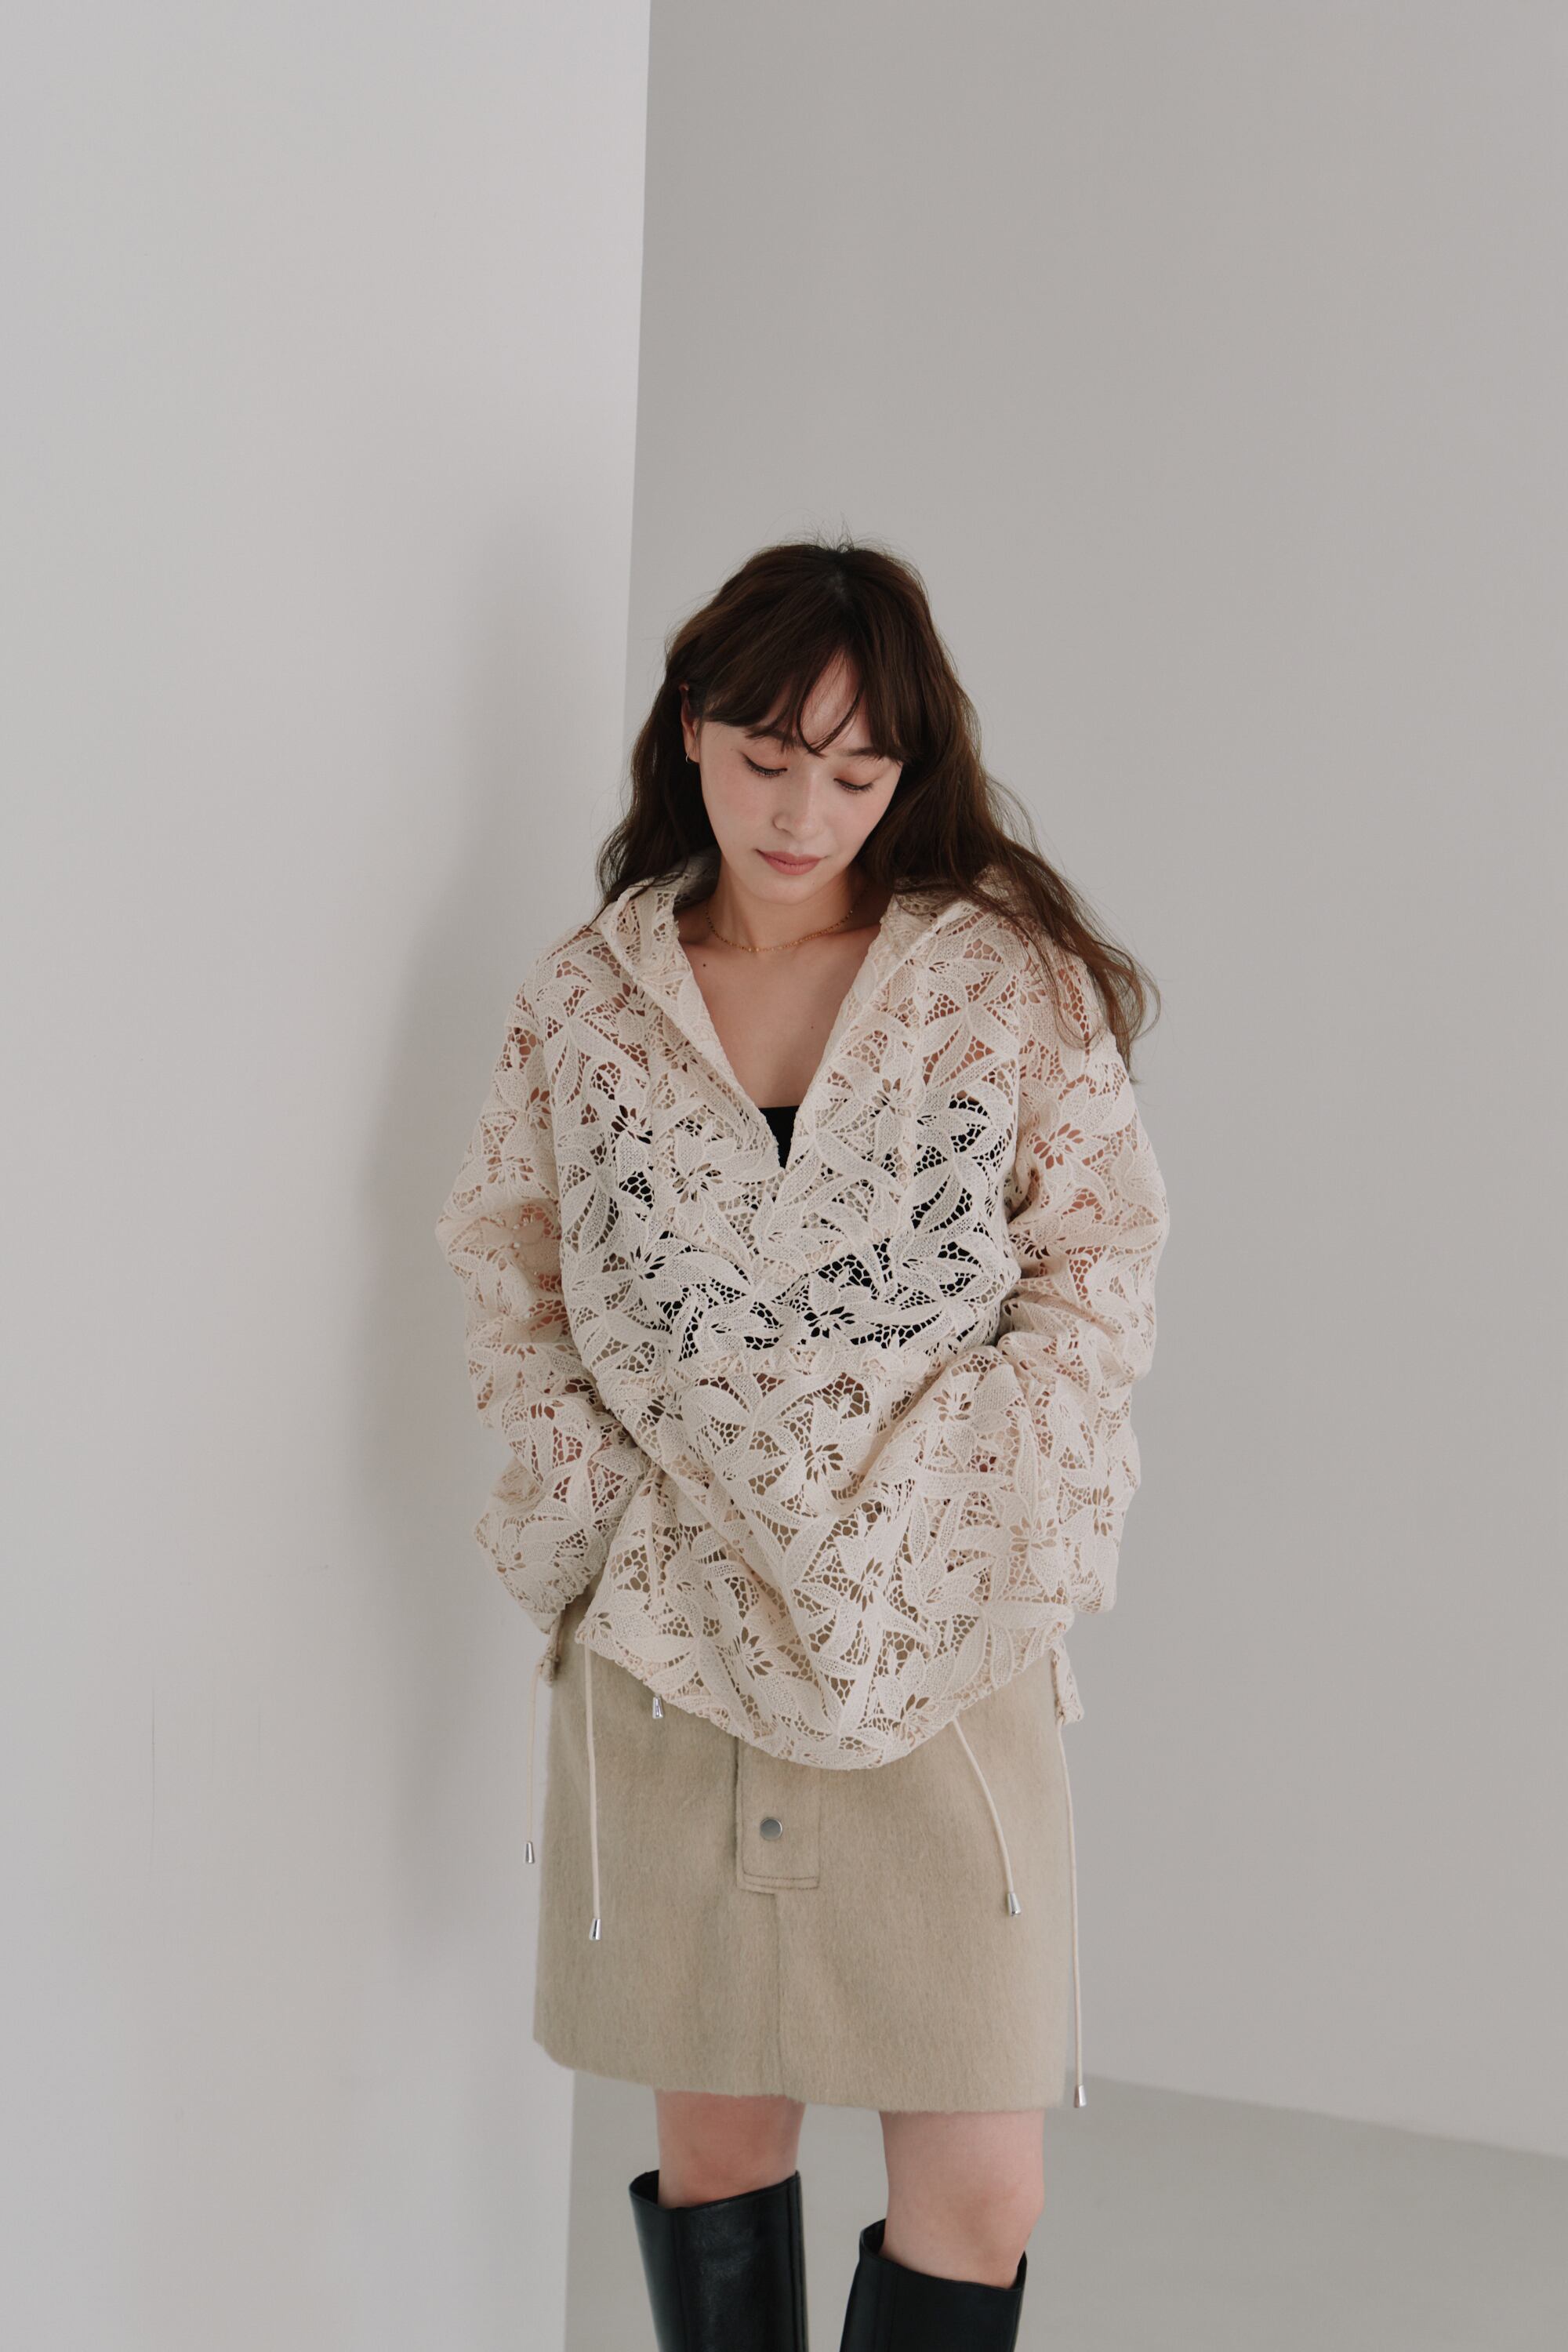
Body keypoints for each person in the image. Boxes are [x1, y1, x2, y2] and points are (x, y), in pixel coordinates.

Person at [434, 535, 1171, 2350]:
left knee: (981, 2194)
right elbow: (508, 1268)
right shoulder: (588, 1000)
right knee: (717, 2147)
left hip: (939, 1644)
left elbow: (1098, 1259)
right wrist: (597, 1519)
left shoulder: (998, 983)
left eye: (854, 772)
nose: (802, 812)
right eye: (768, 757)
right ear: (691, 727)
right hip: (674, 1642)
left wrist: (970, 1496)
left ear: (908, 773)